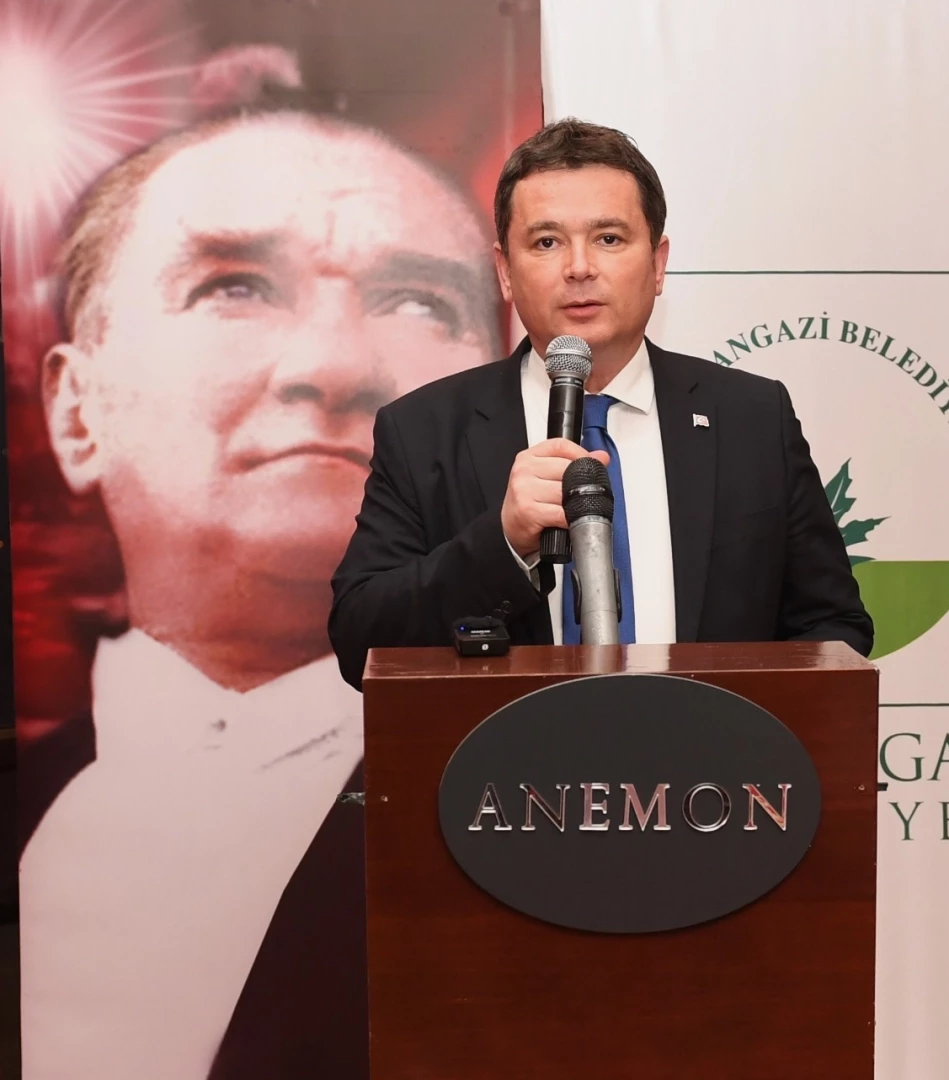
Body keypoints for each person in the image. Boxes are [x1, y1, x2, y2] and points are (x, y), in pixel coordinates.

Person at [21, 106, 502, 1079]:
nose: (334, 365)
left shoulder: (560, 806)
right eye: (232, 287)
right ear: (77, 412)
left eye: (420, 304)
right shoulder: (26, 802)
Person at [328, 118, 872, 682]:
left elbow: (833, 626)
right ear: (505, 272)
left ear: (657, 264)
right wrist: (503, 542)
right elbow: (359, 641)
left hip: (708, 739)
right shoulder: (424, 430)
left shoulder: (752, 418)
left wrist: (737, 722)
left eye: (609, 239)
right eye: (546, 243)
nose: (579, 268)